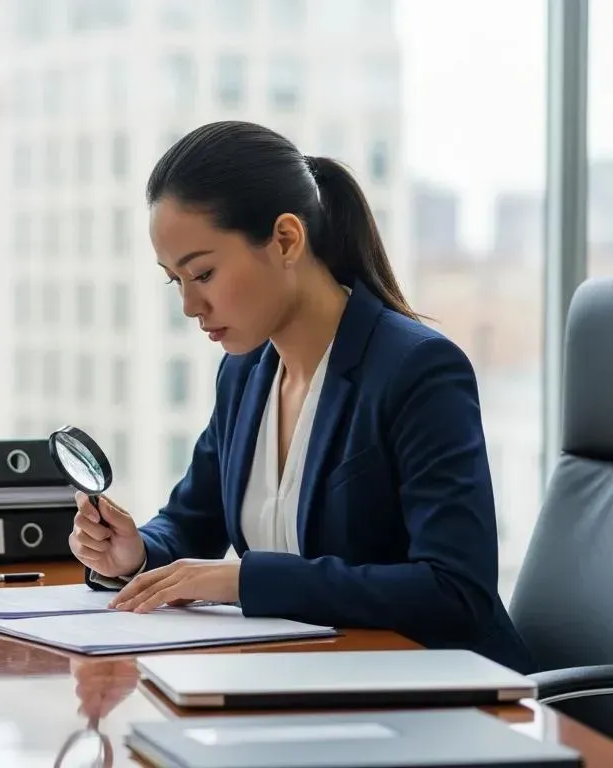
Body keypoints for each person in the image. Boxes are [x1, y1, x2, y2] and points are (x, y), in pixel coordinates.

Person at [68, 120, 535, 674]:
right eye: (176, 281)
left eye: (204, 273)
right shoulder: (243, 375)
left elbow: (455, 590)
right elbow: (190, 523)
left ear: (286, 240)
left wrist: (245, 580)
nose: (190, 305)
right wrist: (134, 554)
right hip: (306, 681)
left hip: (438, 698)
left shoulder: (416, 369)